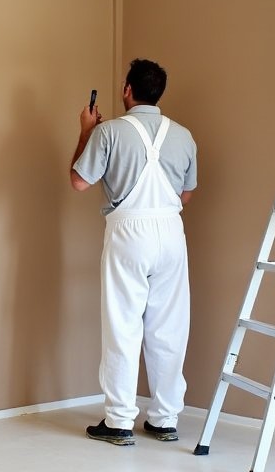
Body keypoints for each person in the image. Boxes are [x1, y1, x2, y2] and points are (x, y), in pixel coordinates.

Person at [70, 59, 197, 445]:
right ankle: (164, 418)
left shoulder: (108, 132)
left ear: (127, 89)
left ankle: (120, 420)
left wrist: (86, 133)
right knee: (169, 327)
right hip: (172, 231)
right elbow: (186, 194)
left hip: (129, 229)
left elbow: (79, 181)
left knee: (123, 323)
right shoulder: (183, 135)